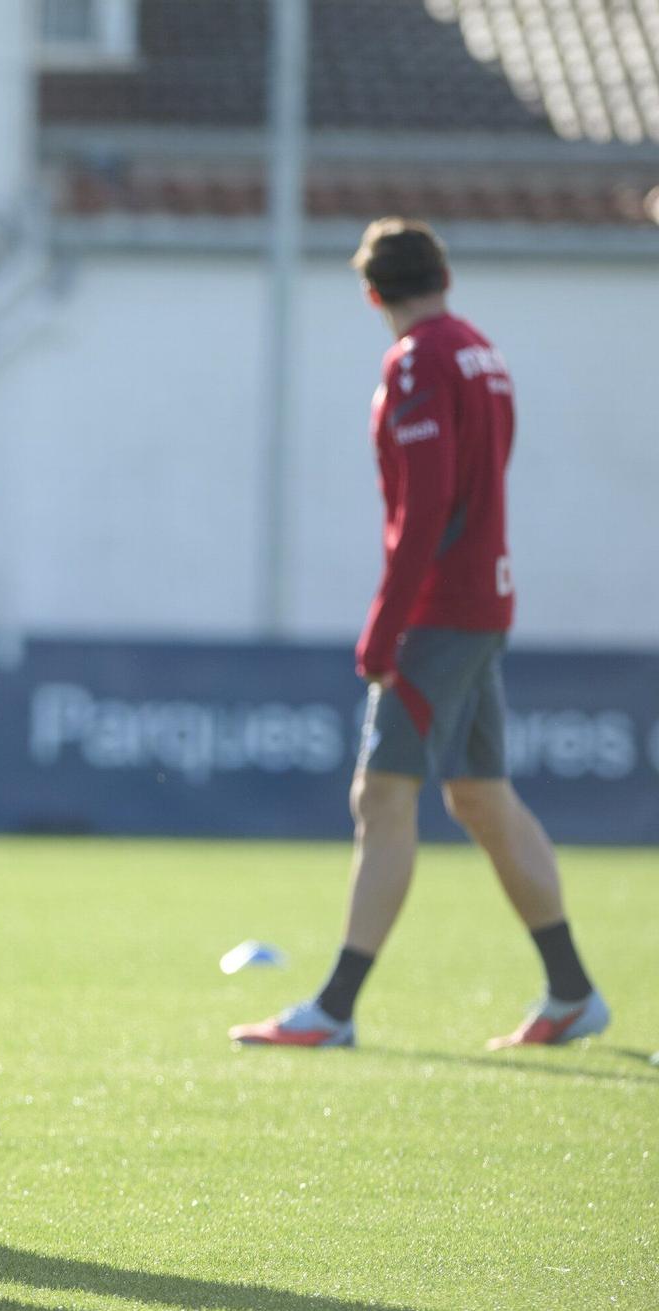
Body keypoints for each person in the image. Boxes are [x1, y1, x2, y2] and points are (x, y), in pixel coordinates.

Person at [232, 218, 608, 1052]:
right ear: (443, 274)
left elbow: (425, 504)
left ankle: (333, 1008)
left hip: (441, 609)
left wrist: (385, 621)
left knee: (383, 795)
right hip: (487, 598)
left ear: (372, 293)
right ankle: (573, 990)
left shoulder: (415, 363)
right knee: (479, 793)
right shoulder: (482, 350)